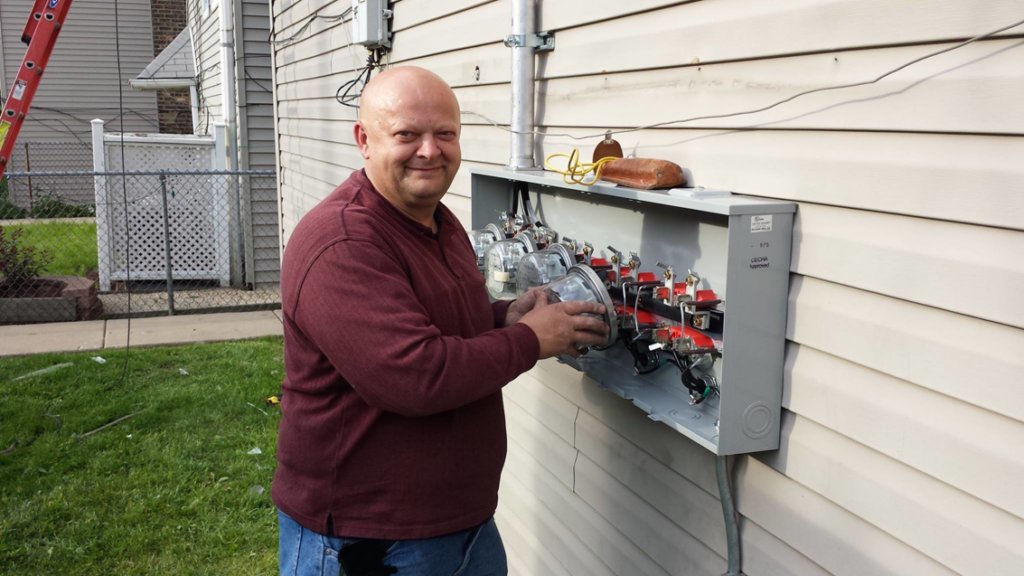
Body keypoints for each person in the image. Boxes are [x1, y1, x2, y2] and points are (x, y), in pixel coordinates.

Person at [273, 66, 609, 576]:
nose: (429, 150)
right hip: (369, 542)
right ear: (365, 140)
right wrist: (527, 340)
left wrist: (503, 318)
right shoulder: (342, 243)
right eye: (407, 134)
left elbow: (437, 324)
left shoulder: (436, 219)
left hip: (461, 523)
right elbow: (415, 375)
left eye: (445, 134)